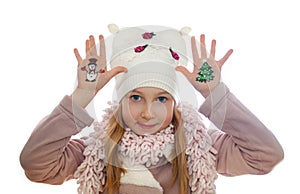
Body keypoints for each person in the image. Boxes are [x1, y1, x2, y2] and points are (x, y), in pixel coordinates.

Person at [20, 24, 284, 194]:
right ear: (119, 100)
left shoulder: (200, 146)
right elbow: (36, 165)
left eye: (161, 99)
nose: (147, 112)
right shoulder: (96, 149)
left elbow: (265, 156)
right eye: (135, 97)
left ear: (174, 102)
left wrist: (214, 94)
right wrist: (81, 95)